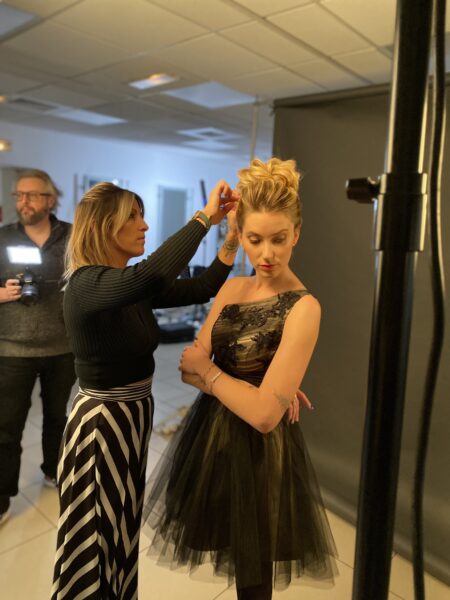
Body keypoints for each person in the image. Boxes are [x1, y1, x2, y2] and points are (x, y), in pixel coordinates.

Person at [143, 158, 337, 599]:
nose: (266, 254)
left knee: (254, 573)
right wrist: (251, 386)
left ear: (296, 234)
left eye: (278, 239)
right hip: (211, 438)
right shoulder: (231, 289)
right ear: (241, 234)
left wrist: (215, 374)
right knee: (226, 545)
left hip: (260, 452)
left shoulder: (304, 307)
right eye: (254, 239)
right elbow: (187, 366)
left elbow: (264, 415)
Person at [51, 180, 239, 600]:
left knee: (119, 525)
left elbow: (202, 287)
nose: (145, 225)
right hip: (102, 425)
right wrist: (203, 218)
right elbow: (154, 272)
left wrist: (232, 239)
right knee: (95, 535)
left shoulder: (125, 287)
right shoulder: (86, 285)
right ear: (104, 226)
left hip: (132, 418)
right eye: (133, 217)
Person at [0, 169, 76, 526]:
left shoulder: (73, 236)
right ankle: (2, 497)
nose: (23, 202)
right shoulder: (3, 237)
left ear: (50, 199)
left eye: (31, 195)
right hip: (11, 349)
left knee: (58, 418)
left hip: (62, 347)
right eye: (18, 195)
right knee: (6, 426)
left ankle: (53, 470)